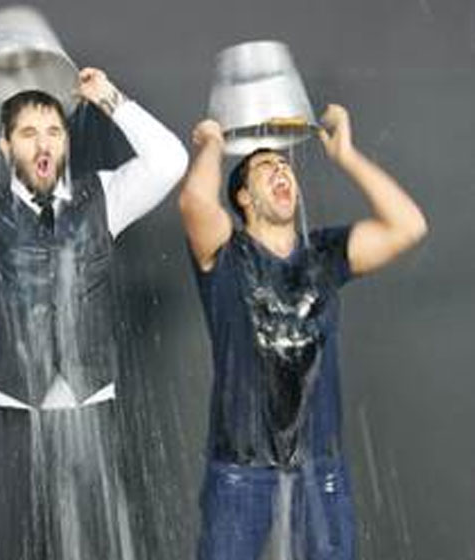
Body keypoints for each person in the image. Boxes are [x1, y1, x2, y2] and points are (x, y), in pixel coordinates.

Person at [0, 65, 188, 560]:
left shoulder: (105, 197)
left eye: (54, 131)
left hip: (88, 416)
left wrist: (108, 96)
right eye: (29, 133)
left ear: (66, 142)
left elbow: (170, 161)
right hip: (9, 423)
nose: (43, 143)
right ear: (6, 146)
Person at [178, 105, 427, 560]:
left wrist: (346, 154)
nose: (281, 171)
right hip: (240, 471)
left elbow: (409, 225)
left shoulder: (325, 254)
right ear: (244, 198)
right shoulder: (225, 252)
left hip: (321, 468)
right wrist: (212, 143)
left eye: (285, 165)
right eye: (265, 166)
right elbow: (194, 202)